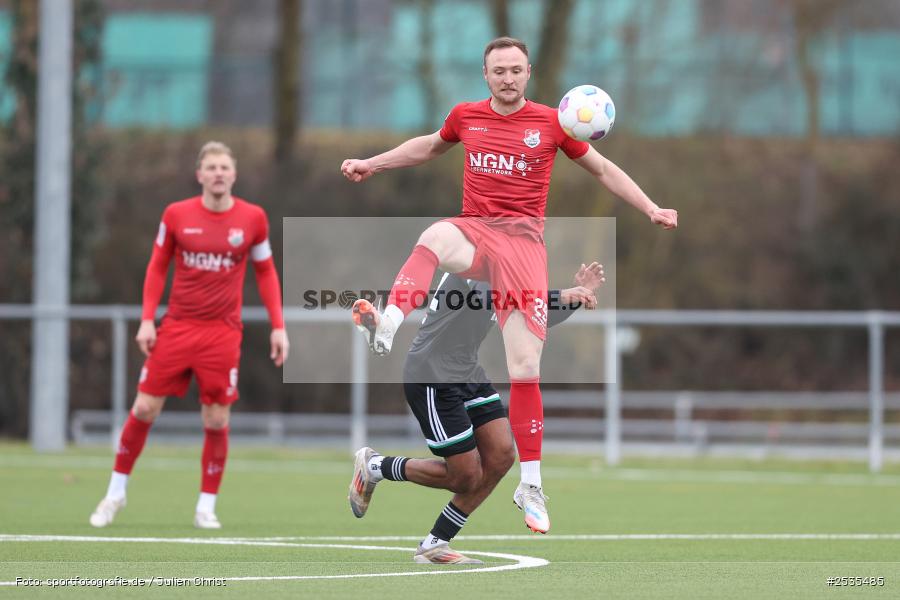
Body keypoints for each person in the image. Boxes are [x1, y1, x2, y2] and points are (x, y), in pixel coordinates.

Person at [341, 36, 677, 534]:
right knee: (434, 234)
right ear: (485, 74)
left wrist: (650, 206)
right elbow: (429, 146)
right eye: (499, 70)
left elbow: (603, 169)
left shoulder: (553, 124)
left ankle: (532, 485)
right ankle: (389, 323)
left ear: (528, 72)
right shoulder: (466, 116)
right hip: (477, 230)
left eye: (516, 69)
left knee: (525, 366)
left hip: (521, 246)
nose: (508, 78)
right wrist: (374, 162)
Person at [89, 141, 289, 529]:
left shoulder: (253, 218)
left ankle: (206, 506)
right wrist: (148, 319)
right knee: (145, 407)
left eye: (224, 167)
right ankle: (115, 494)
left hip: (222, 334)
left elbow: (265, 272)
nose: (218, 173)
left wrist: (279, 326)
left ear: (234, 174)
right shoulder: (176, 215)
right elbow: (157, 265)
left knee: (216, 418)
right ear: (199, 174)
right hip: (178, 327)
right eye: (210, 167)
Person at [349, 263, 605, 562]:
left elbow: (535, 314)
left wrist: (577, 298)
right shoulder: (471, 262)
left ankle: (435, 544)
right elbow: (492, 298)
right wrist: (562, 294)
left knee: (501, 455)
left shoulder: (507, 272)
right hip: (432, 375)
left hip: (467, 371)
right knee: (464, 476)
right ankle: (375, 466)